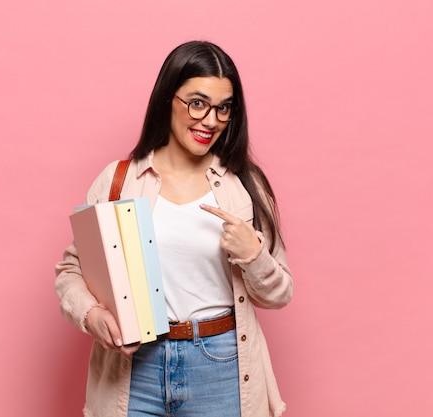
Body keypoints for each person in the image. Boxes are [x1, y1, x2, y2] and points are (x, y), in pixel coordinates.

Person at [55, 40, 293, 417]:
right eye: (197, 103)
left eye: (224, 108)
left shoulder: (243, 187)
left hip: (220, 365)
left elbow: (279, 293)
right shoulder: (120, 181)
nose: (211, 120)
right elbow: (71, 271)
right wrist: (91, 316)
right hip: (135, 370)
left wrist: (253, 254)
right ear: (168, 99)